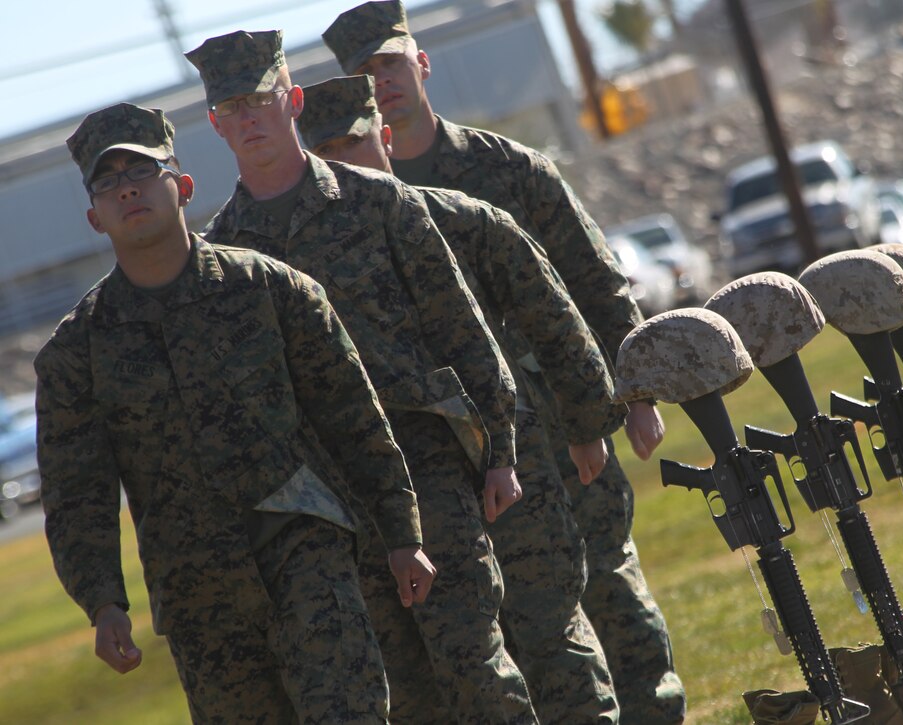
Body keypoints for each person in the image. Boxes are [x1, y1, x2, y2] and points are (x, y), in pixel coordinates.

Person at [323, 3, 686, 721]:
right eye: (364, 73)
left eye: (391, 63)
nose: (382, 81)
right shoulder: (346, 203)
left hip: (556, 416)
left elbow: (593, 279)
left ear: (421, 64)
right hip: (457, 453)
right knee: (512, 619)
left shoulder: (502, 170)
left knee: (604, 580)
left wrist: (634, 394)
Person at [37, 102, 435, 724]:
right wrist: (104, 603)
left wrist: (403, 534)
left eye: (142, 172)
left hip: (309, 557)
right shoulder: (75, 353)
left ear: (184, 187)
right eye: (108, 183)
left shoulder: (274, 290)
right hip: (200, 601)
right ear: (94, 217)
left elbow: (354, 418)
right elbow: (76, 493)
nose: (128, 190)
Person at [185, 30, 538, 724]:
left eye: (261, 98)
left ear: (291, 100)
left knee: (474, 665)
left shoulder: (380, 203)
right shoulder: (223, 259)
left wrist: (499, 449)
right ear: (215, 125)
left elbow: (461, 329)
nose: (250, 117)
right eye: (233, 106)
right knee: (400, 693)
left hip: (427, 464)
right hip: (327, 501)